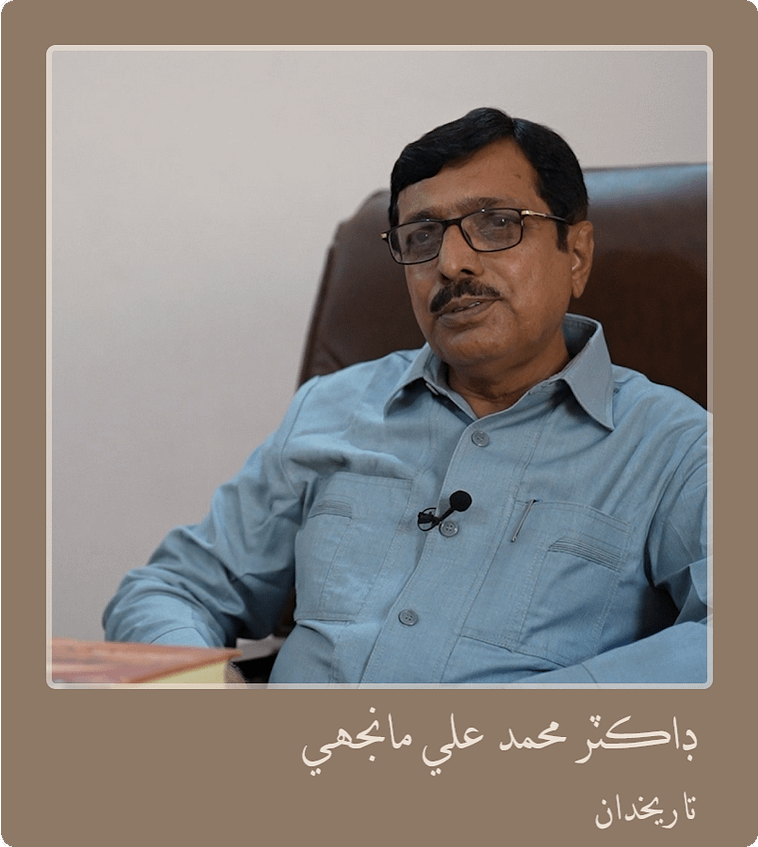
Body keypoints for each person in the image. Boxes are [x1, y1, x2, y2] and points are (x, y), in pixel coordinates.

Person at [103, 107, 709, 685]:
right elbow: (169, 589)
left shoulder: (676, 448)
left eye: (496, 224)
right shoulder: (332, 409)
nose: (451, 263)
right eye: (421, 237)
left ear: (575, 255)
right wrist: (206, 690)